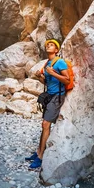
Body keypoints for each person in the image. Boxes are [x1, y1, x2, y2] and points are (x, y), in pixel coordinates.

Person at [26, 38, 70, 170]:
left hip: (57, 96)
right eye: (47, 45)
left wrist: (52, 73)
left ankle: (41, 157)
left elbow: (67, 80)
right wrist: (41, 77)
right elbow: (47, 83)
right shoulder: (47, 63)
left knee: (46, 124)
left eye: (51, 45)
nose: (48, 46)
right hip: (49, 95)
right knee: (44, 125)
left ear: (56, 50)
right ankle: (39, 151)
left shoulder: (60, 62)